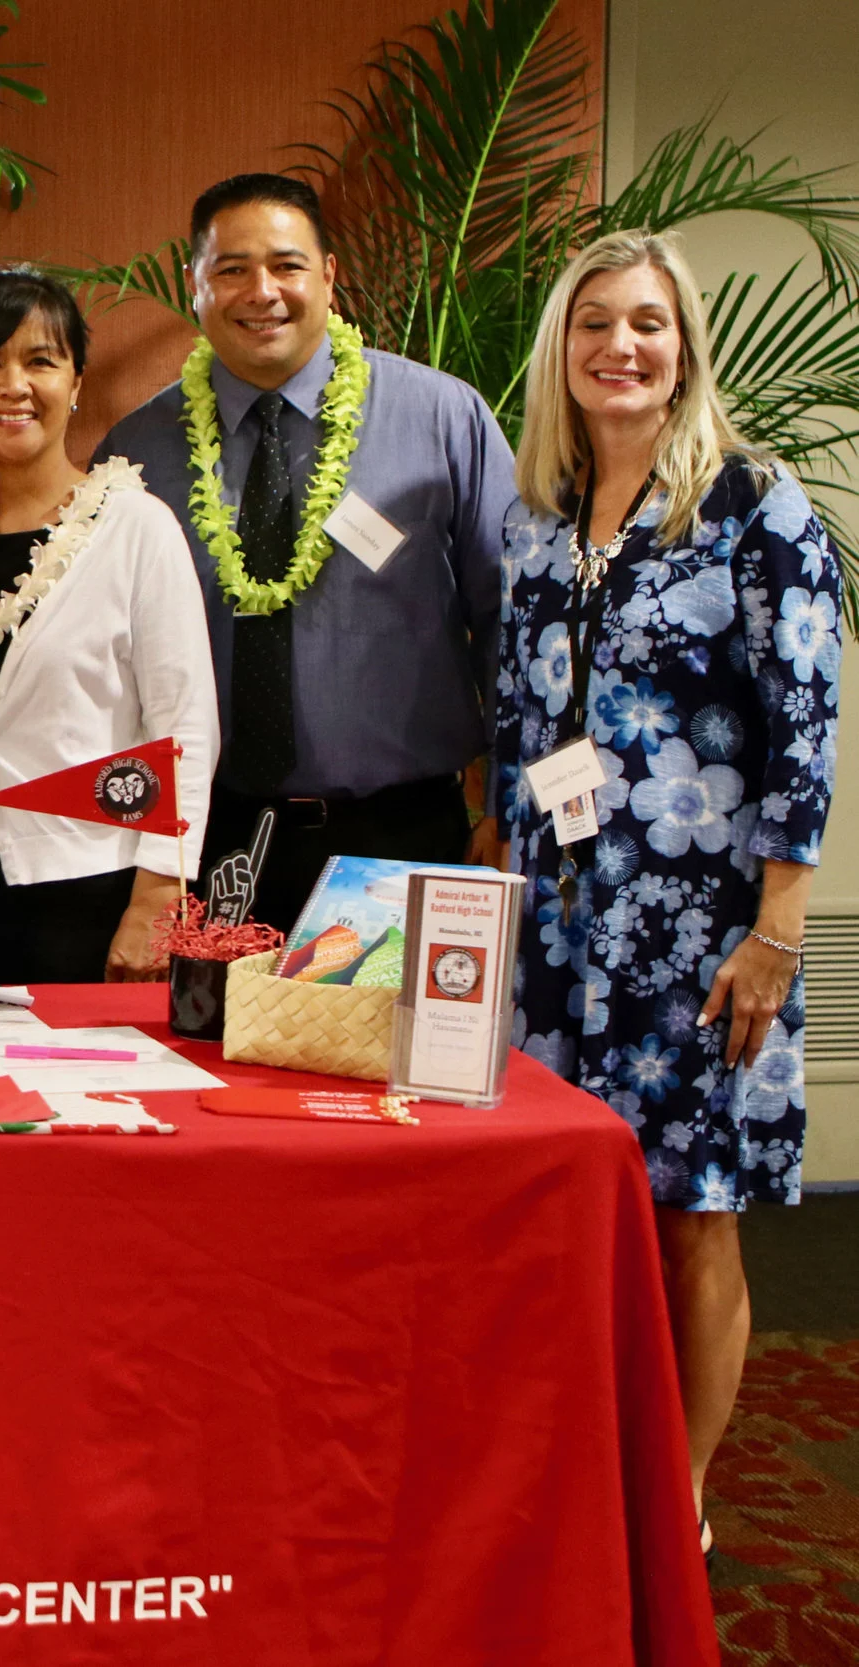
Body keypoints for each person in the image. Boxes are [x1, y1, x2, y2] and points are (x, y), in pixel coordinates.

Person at [497, 229, 837, 1555]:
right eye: (595, 325)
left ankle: (678, 1489)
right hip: (557, 935)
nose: (621, 348)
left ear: (685, 341)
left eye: (648, 323)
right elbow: (521, 718)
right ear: (560, 354)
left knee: (693, 1209)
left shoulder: (755, 503)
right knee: (568, 1206)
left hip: (701, 939)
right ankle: (581, 1448)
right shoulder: (540, 513)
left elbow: (805, 727)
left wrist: (777, 933)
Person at [96, 174, 515, 931]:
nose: (263, 291)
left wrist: (507, 804)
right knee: (199, 1051)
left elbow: (509, 625)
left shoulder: (443, 419)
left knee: (385, 1051)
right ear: (195, 287)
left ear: (328, 275)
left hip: (402, 839)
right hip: (204, 845)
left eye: (287, 265)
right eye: (231, 270)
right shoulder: (137, 453)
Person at [0, 269, 215, 983]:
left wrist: (158, 894)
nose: (13, 384)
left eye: (41, 361)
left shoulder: (136, 526)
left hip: (92, 886)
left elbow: (185, 722)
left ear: (77, 381)